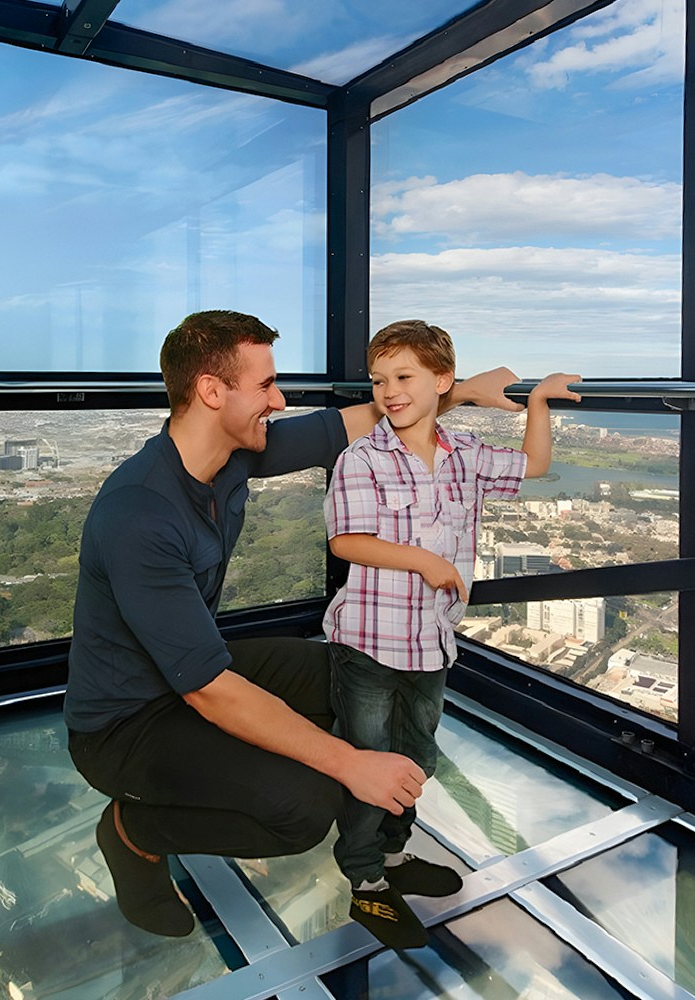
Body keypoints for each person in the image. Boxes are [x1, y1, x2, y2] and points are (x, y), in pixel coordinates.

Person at [64, 310, 521, 937]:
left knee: (351, 675)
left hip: (186, 673)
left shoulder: (229, 455)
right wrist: (348, 764)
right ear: (211, 390)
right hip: (126, 722)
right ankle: (133, 831)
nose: (278, 400)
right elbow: (210, 688)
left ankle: (383, 854)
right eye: (266, 386)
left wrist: (458, 389)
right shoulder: (139, 512)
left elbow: (349, 424)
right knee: (305, 808)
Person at [323, 319, 580, 948]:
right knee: (372, 766)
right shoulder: (362, 458)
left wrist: (538, 402)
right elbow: (346, 541)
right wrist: (425, 561)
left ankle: (392, 856)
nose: (389, 391)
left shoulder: (465, 455)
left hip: (431, 643)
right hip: (367, 643)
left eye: (404, 377)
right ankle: (364, 881)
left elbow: (536, 464)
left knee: (415, 759)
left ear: (443, 382)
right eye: (380, 380)